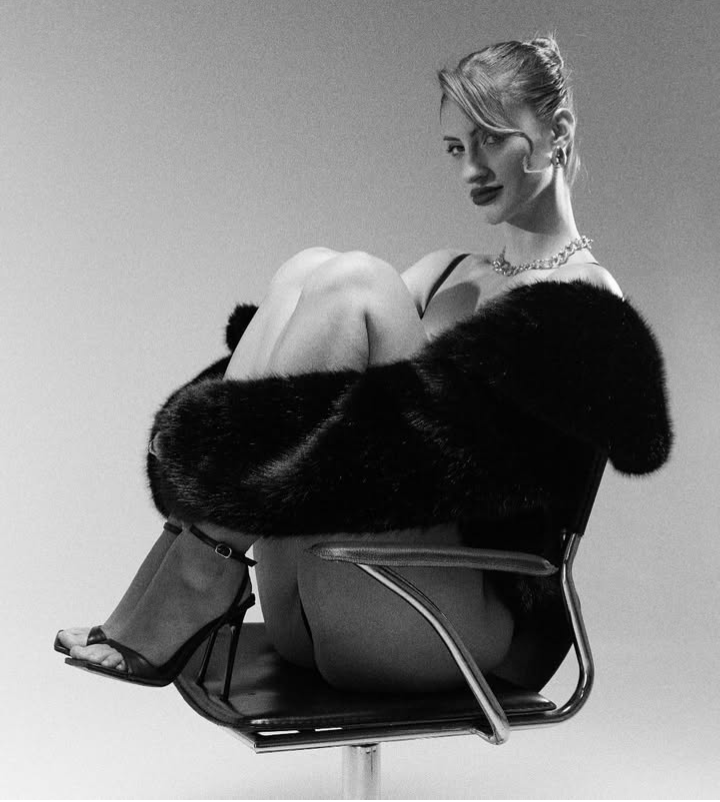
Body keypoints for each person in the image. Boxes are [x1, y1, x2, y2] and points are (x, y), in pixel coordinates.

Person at [55, 36, 647, 693]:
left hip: (448, 628)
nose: (472, 167)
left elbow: (493, 476)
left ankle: (200, 569)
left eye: (491, 138)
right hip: (325, 588)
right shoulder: (446, 273)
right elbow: (323, 356)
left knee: (359, 283)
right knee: (310, 270)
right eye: (456, 148)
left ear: (556, 131)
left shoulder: (587, 299)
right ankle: (195, 556)